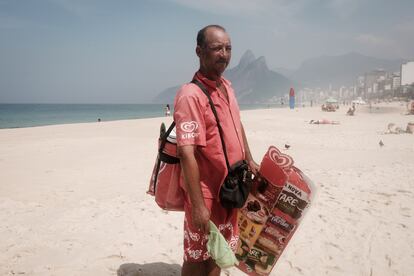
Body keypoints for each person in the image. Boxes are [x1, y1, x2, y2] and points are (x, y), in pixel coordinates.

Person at [173, 25, 259, 276]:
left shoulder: (227, 86)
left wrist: (249, 159)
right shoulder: (190, 95)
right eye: (217, 48)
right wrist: (198, 206)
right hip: (206, 192)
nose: (224, 54)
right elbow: (185, 152)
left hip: (230, 188)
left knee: (218, 252)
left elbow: (236, 123)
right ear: (199, 52)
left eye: (228, 48)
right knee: (196, 255)